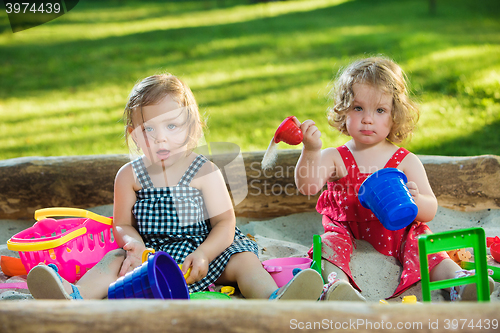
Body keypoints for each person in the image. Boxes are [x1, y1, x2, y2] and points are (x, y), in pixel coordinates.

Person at [27, 73, 323, 300]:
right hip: (152, 255)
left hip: (205, 252)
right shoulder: (129, 176)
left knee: (244, 261)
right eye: (149, 130)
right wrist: (133, 245)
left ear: (191, 129)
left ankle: (275, 298)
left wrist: (206, 253)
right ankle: (73, 296)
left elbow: (224, 222)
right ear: (134, 134)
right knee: (112, 260)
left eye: (172, 126)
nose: (161, 139)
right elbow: (122, 225)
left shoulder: (204, 170)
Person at [294, 57, 494, 302]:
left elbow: (430, 208)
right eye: (358, 108)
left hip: (397, 231)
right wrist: (311, 151)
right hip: (348, 230)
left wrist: (416, 199)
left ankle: (459, 282)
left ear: (395, 115)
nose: (368, 118)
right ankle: (338, 286)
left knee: (423, 243)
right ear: (344, 109)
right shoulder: (336, 157)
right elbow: (308, 186)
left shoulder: (405, 160)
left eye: (380, 110)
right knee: (328, 245)